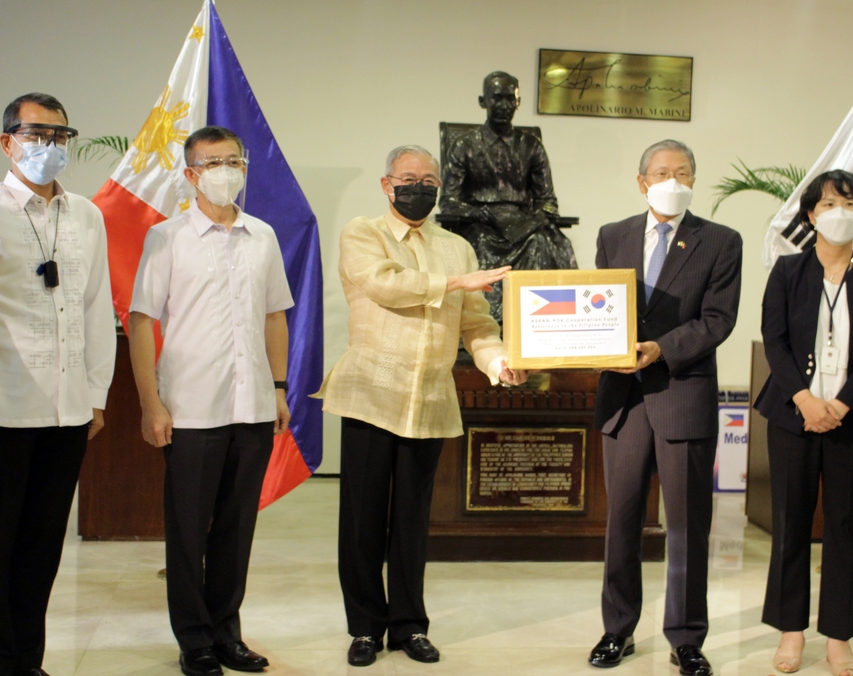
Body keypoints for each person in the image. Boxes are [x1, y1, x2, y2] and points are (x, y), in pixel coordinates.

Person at [315, 145, 526, 667]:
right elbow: (386, 286)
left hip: (430, 398)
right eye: (409, 178)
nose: (420, 186)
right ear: (387, 185)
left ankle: (409, 625)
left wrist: (499, 364)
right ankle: (365, 627)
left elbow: (477, 324)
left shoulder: (457, 247)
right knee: (363, 520)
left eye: (429, 179)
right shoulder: (364, 233)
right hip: (371, 394)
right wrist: (455, 284)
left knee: (411, 522)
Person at [128, 126, 293, 676]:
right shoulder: (167, 237)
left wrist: (278, 388)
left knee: (236, 526)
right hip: (192, 407)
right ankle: (194, 639)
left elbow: (275, 316)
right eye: (212, 162)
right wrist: (152, 404)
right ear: (191, 173)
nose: (225, 170)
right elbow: (142, 321)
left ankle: (227, 632)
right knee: (188, 528)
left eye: (233, 161)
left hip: (251, 406)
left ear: (245, 168)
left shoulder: (262, 236)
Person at [589, 139, 742, 676]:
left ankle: (686, 637)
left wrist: (660, 349)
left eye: (680, 172)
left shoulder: (721, 241)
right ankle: (617, 630)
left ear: (693, 181)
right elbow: (598, 308)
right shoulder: (613, 236)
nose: (670, 180)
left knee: (685, 526)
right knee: (622, 521)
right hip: (623, 402)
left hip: (683, 393)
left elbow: (719, 320)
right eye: (660, 172)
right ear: (642, 182)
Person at [755, 170, 853, 676]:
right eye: (829, 203)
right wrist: (803, 398)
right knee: (790, 523)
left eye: (850, 203)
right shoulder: (788, 271)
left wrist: (839, 405)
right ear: (811, 214)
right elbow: (774, 339)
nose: (840, 211)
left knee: (843, 526)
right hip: (793, 415)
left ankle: (838, 637)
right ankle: (791, 632)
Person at [0, 93, 115, 676]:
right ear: (7, 142)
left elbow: (97, 310)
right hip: (5, 408)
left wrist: (95, 397)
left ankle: (28, 662)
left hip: (68, 412)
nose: (49, 146)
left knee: (42, 549)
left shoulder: (87, 214)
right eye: (36, 133)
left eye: (60, 136)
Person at [439, 70, 577, 324]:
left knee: (545, 244)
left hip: (525, 226)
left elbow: (547, 198)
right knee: (479, 243)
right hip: (480, 226)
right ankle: (484, 324)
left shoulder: (531, 145)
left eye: (509, 99)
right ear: (483, 102)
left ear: (518, 102)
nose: (503, 106)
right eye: (496, 98)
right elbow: (448, 200)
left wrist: (531, 221)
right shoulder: (464, 145)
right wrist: (474, 212)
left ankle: (542, 323)